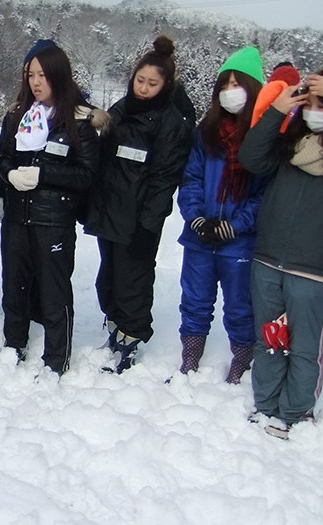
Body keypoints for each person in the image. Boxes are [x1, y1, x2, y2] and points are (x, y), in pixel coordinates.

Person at [239, 66, 323, 439]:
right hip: (270, 258)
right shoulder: (291, 149)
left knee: (304, 347)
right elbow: (251, 158)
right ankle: (265, 406)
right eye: (310, 102)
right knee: (268, 340)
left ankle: (295, 415)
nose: (315, 110)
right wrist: (275, 111)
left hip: (317, 269)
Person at [84, 36, 192, 374]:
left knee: (133, 281)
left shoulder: (170, 123)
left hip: (138, 218)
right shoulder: (123, 107)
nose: (143, 88)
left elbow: (164, 178)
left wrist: (149, 223)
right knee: (110, 278)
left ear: (165, 85)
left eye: (152, 84)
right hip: (110, 210)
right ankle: (114, 326)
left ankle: (129, 341)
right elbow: (104, 153)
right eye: (140, 80)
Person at [0, 42, 101, 375]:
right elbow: (1, 159)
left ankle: (56, 358)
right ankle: (14, 345)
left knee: (54, 291)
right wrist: (8, 175)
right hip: (16, 217)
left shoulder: (78, 121)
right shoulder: (17, 115)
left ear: (58, 75)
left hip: (54, 219)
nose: (36, 82)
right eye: (30, 75)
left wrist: (44, 174)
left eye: (42, 75)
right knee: (14, 285)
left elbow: (87, 174)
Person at [174, 46, 266, 382]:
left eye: (236, 84)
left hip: (239, 241)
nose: (229, 92)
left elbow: (263, 195)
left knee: (240, 306)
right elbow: (191, 178)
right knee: (195, 301)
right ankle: (190, 360)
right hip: (200, 236)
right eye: (223, 86)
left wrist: (235, 225)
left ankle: (241, 360)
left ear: (253, 88)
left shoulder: (262, 138)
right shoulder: (206, 131)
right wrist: (196, 217)